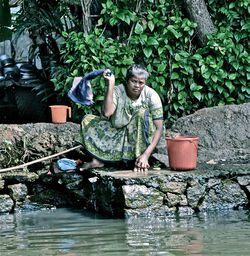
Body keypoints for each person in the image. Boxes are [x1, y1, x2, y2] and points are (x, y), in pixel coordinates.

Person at [76, 64, 164, 172]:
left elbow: (159, 128)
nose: (137, 85)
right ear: (127, 80)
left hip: (137, 138)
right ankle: (98, 160)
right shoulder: (117, 91)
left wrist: (146, 155)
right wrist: (111, 84)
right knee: (87, 120)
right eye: (134, 81)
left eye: (141, 83)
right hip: (116, 133)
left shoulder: (151, 96)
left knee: (142, 114)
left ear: (145, 83)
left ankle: (139, 159)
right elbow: (107, 112)